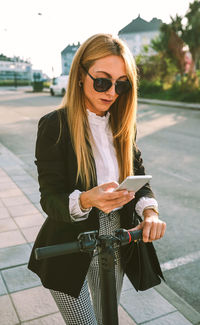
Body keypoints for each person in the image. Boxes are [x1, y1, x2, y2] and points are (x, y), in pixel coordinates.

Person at [28, 33, 166, 325]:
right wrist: (86, 199)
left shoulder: (122, 125)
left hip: (115, 236)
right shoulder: (55, 126)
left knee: (108, 319)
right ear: (80, 75)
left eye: (121, 84)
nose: (112, 92)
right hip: (68, 242)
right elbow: (49, 198)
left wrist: (150, 213)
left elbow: (139, 178)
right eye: (102, 81)